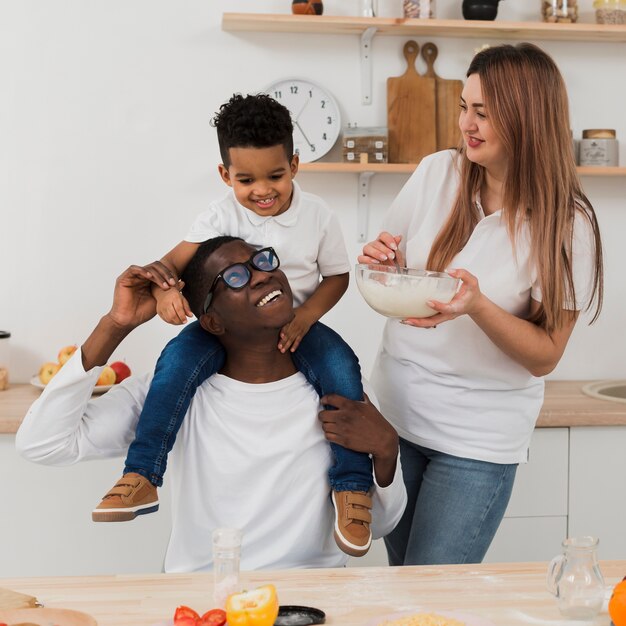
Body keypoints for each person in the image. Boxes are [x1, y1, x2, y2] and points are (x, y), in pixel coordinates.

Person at [92, 93, 375, 556]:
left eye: (276, 176)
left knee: (342, 370)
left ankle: (352, 486)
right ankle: (142, 473)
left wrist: (306, 315)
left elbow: (338, 277)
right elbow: (168, 264)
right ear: (225, 175)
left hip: (292, 323)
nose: (263, 190)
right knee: (174, 365)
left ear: (295, 166)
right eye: (246, 179)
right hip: (223, 327)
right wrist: (165, 290)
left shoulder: (319, 216)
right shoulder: (220, 213)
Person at [16, 237, 406, 571]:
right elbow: (42, 442)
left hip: (313, 599)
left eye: (262, 261)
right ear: (213, 321)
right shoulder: (171, 391)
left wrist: (387, 450)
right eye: (235, 277)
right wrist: (115, 324)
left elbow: (379, 526)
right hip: (204, 598)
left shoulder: (338, 385)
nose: (262, 274)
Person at [358, 43, 603, 566]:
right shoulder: (437, 173)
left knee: (433, 591)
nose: (466, 123)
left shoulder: (568, 224)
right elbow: (393, 268)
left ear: (526, 118)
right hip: (397, 414)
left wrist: (477, 305)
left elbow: (544, 356)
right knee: (405, 586)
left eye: (483, 113)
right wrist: (380, 258)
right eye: (464, 106)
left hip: (476, 437)